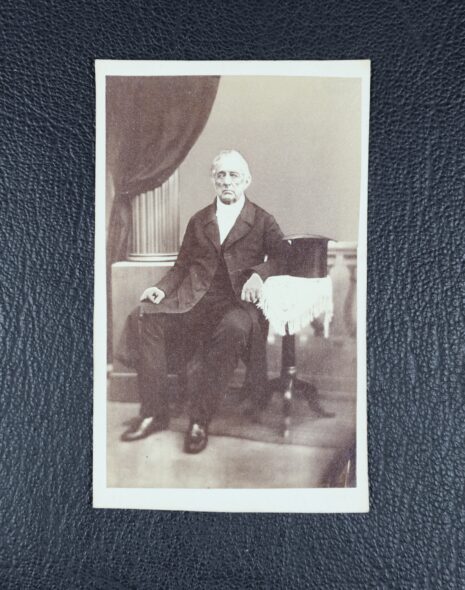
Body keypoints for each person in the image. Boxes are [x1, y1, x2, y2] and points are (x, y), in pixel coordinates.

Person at [118, 149, 288, 453]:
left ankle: (199, 419)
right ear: (213, 180)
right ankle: (154, 413)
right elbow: (182, 266)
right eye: (221, 175)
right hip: (195, 301)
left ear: (246, 180)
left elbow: (283, 257)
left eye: (233, 175)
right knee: (146, 315)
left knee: (235, 328)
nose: (227, 181)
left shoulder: (262, 220)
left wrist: (259, 275)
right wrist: (161, 289)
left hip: (236, 305)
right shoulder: (199, 220)